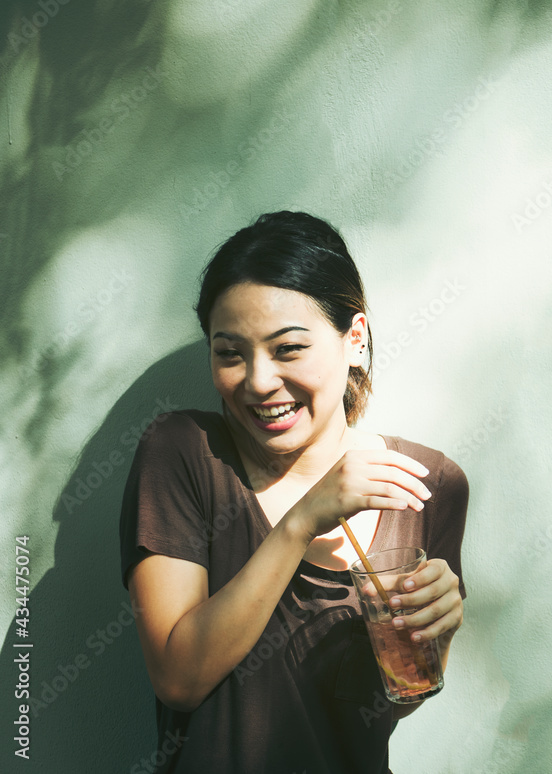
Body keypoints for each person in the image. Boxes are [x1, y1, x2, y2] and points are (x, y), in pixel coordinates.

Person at [119, 211, 468, 773]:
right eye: (229, 352)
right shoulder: (183, 453)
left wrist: (434, 634)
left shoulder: (430, 485)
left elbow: (392, 701)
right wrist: (302, 521)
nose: (258, 380)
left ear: (354, 340)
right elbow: (178, 680)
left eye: (287, 349)